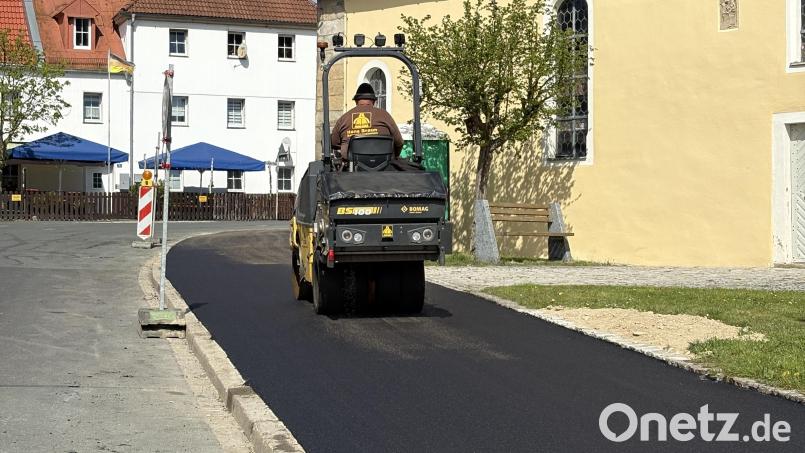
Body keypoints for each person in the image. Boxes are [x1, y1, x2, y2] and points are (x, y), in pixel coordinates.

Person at [331, 83, 404, 162]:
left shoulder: (344, 118)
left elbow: (334, 143)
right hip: (383, 165)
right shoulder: (385, 115)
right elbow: (399, 142)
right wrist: (394, 157)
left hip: (352, 167)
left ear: (356, 101)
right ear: (373, 101)